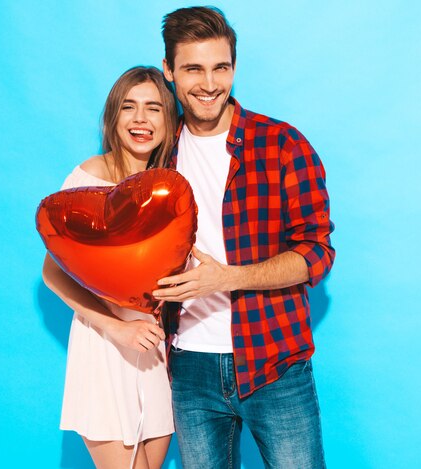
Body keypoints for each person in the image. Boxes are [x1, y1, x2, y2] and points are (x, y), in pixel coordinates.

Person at [152, 7, 335, 469]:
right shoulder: (158, 155)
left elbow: (316, 252)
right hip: (189, 365)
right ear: (169, 71)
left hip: (274, 358)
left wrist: (226, 278)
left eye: (221, 67)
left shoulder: (282, 144)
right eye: (193, 68)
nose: (210, 83)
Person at [42, 66, 177, 469]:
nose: (141, 119)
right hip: (105, 346)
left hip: (154, 351)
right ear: (112, 117)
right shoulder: (89, 177)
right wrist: (116, 327)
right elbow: (52, 272)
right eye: (129, 107)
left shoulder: (170, 183)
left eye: (153, 108)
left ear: (168, 121)